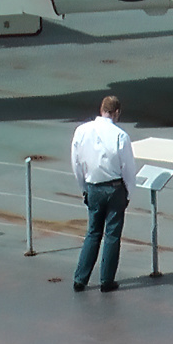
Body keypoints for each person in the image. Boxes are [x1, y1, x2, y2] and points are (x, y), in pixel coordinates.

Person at [70, 95, 137, 294]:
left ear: (101, 110)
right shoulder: (120, 135)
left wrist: (83, 188)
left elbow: (76, 162)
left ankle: (80, 279)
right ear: (117, 112)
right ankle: (106, 280)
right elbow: (128, 168)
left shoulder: (81, 130)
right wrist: (128, 193)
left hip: (92, 185)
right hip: (115, 187)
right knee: (112, 235)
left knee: (92, 233)